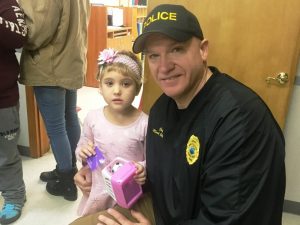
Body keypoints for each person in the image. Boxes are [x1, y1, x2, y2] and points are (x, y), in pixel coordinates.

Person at [70, 4, 285, 225]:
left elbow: (232, 219)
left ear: (203, 50)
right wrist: (96, 173)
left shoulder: (241, 121)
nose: (164, 67)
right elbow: (157, 177)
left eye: (176, 49)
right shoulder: (162, 109)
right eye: (154, 55)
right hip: (163, 209)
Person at [18, 0, 90, 201]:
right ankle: (68, 168)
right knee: (69, 119)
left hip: (50, 64)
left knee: (56, 127)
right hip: (71, 60)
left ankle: (66, 181)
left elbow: (37, 32)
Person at [75, 48, 148, 216]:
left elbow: (151, 159)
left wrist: (142, 169)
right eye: (109, 83)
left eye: (126, 83)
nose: (117, 91)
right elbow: (87, 149)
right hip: (99, 189)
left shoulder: (144, 124)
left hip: (130, 194)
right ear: (100, 86)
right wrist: (84, 154)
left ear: (138, 88)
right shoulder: (93, 119)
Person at [0, 0, 27, 224]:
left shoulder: (7, 3)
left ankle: (15, 196)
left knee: (6, 155)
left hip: (3, 99)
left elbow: (19, 37)